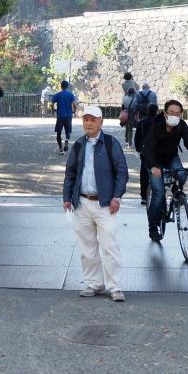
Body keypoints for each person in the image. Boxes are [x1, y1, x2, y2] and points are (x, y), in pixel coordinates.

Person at [62, 105, 129, 302]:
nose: (89, 123)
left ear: (101, 122)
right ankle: (94, 284)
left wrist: (117, 196)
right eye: (86, 119)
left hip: (105, 204)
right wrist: (67, 197)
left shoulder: (110, 143)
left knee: (109, 247)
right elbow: (70, 173)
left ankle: (115, 287)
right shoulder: (79, 144)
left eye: (93, 119)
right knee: (87, 248)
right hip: (82, 203)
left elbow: (122, 172)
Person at [142, 99, 188, 242]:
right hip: (153, 159)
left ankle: (177, 193)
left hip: (171, 157)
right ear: (165, 113)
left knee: (181, 174)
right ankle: (153, 227)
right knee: (158, 193)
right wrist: (153, 166)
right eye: (171, 112)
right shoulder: (155, 124)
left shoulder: (181, 125)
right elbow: (149, 147)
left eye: (178, 113)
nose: (174, 116)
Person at [133, 102, 160, 206]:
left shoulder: (142, 122)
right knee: (158, 172)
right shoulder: (160, 122)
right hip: (158, 151)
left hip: (145, 152)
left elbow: (137, 137)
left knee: (144, 174)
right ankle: (157, 194)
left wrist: (138, 149)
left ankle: (144, 197)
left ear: (148, 111)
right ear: (157, 111)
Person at [49, 79, 77, 153]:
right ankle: (66, 140)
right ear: (67, 86)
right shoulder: (71, 95)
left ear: (61, 86)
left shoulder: (57, 95)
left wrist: (54, 110)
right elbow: (74, 104)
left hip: (60, 116)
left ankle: (61, 149)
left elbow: (51, 104)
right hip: (68, 115)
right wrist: (74, 112)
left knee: (59, 133)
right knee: (68, 131)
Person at [120, 71, 139, 148]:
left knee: (127, 127)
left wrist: (122, 112)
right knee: (130, 127)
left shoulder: (123, 85)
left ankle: (126, 140)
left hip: (125, 110)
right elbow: (138, 88)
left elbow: (122, 106)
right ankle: (130, 142)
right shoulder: (133, 83)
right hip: (132, 111)